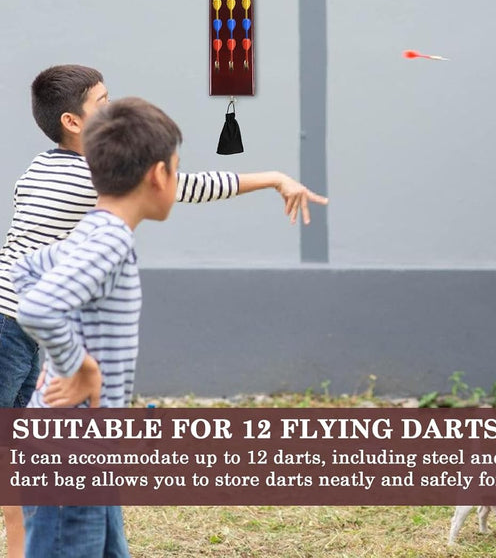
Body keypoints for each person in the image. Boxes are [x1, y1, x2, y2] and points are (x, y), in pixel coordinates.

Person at [0, 65, 327, 556]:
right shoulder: (87, 193)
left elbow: (28, 271)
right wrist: (78, 362)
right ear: (73, 122)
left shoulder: (49, 167)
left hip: (29, 341)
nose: (111, 111)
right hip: (15, 336)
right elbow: (186, 185)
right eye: (103, 102)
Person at [13, 97, 184, 556]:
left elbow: (25, 270)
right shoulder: (109, 238)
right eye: (176, 167)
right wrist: (78, 366)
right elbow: (40, 307)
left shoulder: (95, 229)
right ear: (159, 175)